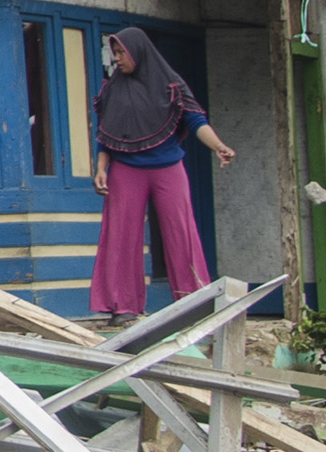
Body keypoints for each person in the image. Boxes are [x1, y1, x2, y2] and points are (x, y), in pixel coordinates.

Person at [89, 27, 236, 320]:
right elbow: (106, 135)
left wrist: (218, 146)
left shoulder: (171, 85)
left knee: (181, 232)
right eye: (114, 53)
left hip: (168, 167)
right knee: (121, 236)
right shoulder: (112, 89)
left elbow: (194, 120)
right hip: (126, 169)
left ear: (138, 51)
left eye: (122, 52)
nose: (118, 59)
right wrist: (101, 168)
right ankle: (124, 307)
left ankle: (194, 304)